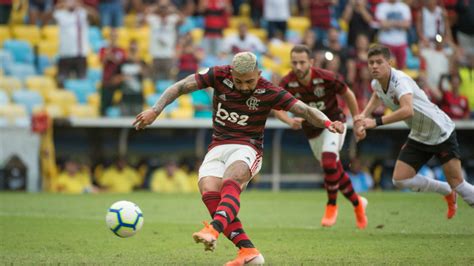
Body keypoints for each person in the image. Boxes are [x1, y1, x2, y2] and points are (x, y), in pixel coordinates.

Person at [133, 51, 344, 265]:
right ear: (231, 72)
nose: (244, 87)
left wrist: (328, 123)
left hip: (248, 147)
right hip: (218, 146)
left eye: (250, 81)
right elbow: (180, 86)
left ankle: (214, 229)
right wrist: (155, 110)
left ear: (259, 73)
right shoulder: (218, 75)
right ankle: (248, 252)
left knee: (231, 180)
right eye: (239, 81)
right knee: (209, 190)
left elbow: (305, 110)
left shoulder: (269, 90)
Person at [356, 44, 474, 220]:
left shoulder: (400, 81)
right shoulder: (377, 82)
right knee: (400, 179)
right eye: (371, 62)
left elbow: (407, 111)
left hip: (440, 131)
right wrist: (362, 116)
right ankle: (445, 191)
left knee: (458, 183)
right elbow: (377, 94)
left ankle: (452, 189)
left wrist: (374, 122)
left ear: (389, 62)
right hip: (419, 134)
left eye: (379, 62)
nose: (374, 66)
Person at [275, 45, 368, 229]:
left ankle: (331, 205)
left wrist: (357, 119)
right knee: (334, 170)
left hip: (334, 124)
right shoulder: (287, 81)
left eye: (302, 62)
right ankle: (358, 204)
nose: (298, 66)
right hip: (312, 132)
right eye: (295, 63)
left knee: (328, 162)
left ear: (311, 62)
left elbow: (348, 93)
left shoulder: (326, 77)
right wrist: (288, 120)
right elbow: (276, 106)